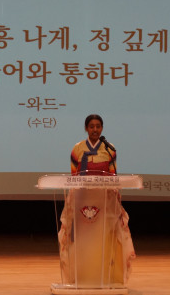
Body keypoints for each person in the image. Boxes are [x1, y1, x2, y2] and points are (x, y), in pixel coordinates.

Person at [57, 114, 136, 287]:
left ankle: (105, 277)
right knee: (81, 240)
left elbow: (113, 176)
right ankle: (80, 276)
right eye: (91, 126)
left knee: (105, 238)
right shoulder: (77, 148)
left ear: (102, 128)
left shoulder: (109, 149)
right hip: (82, 200)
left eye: (98, 126)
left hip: (104, 201)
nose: (95, 129)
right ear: (86, 128)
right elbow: (73, 176)